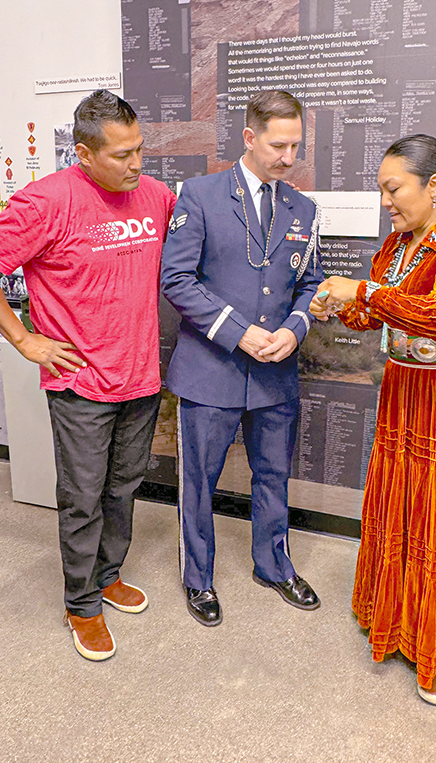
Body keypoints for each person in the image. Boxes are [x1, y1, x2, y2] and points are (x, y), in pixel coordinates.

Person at [0, 90, 176, 661]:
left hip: (141, 375)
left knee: (123, 488)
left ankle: (107, 574)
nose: (136, 165)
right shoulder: (47, 202)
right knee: (83, 498)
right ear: (83, 153)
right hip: (80, 384)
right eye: (122, 155)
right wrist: (25, 338)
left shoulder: (154, 197)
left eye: (140, 150)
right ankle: (81, 603)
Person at [310, 134, 436, 705]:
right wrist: (341, 304)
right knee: (407, 505)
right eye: (381, 190)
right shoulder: (397, 244)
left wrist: (365, 291)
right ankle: (402, 618)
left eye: (393, 188)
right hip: (407, 390)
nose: (386, 202)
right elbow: (371, 318)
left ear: (432, 185)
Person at [161, 89, 323, 626]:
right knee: (199, 482)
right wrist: (238, 332)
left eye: (296, 145)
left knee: (273, 474)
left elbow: (311, 284)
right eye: (278, 145)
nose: (288, 157)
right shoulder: (201, 195)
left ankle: (273, 565)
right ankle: (198, 579)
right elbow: (176, 279)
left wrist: (295, 331)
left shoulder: (303, 207)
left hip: (276, 374)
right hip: (212, 371)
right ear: (249, 138)